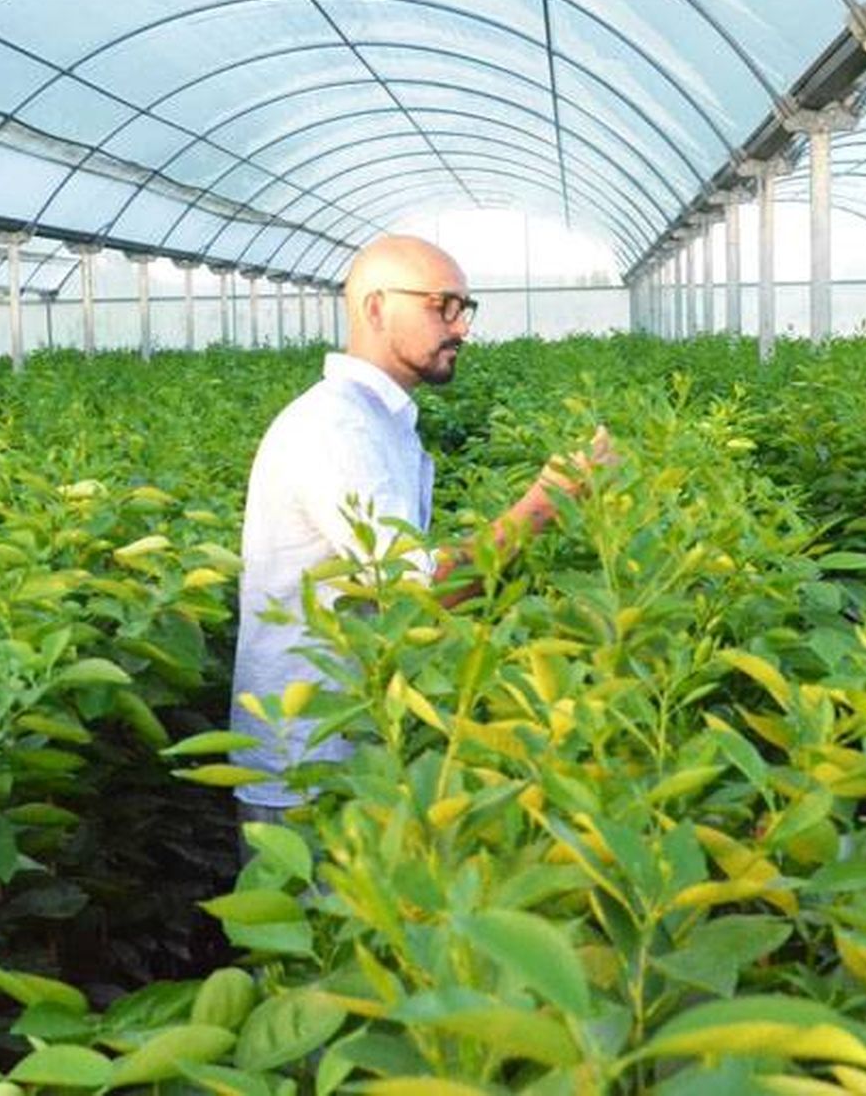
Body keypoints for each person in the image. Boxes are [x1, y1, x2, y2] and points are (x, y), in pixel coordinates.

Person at [230, 234, 617, 824]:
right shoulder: (337, 429)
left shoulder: (376, 421)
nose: (461, 328)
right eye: (443, 306)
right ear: (376, 307)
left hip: (356, 745)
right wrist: (545, 504)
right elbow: (415, 593)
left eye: (465, 309)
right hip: (311, 763)